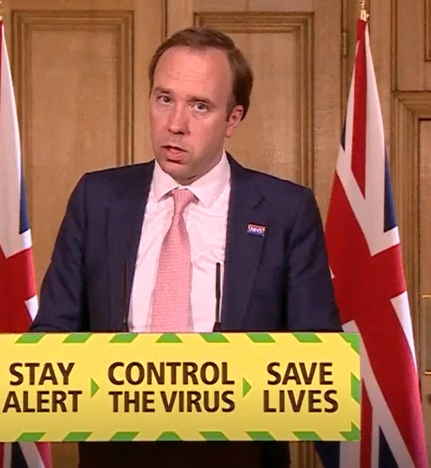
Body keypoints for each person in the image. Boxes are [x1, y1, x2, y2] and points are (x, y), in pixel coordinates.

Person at [31, 26, 341, 468]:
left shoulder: (285, 210)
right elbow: (52, 337)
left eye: (200, 106)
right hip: (115, 456)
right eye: (164, 99)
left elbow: (318, 358)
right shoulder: (97, 199)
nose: (176, 123)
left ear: (233, 119)